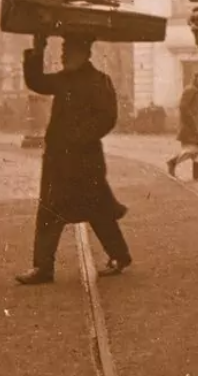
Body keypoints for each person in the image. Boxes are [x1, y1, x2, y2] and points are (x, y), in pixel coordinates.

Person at [15, 34, 132, 285]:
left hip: (85, 160)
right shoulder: (64, 79)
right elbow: (36, 81)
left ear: (83, 52)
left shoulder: (100, 81)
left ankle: (120, 256)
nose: (63, 54)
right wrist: (38, 47)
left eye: (68, 50)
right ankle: (43, 268)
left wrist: (78, 137)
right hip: (59, 160)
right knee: (49, 210)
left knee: (99, 211)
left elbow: (107, 118)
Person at [166, 70, 198, 180]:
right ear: (197, 79)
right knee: (192, 149)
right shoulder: (190, 90)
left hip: (197, 125)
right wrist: (191, 122)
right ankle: (172, 162)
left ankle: (197, 173)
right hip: (190, 126)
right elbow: (183, 107)